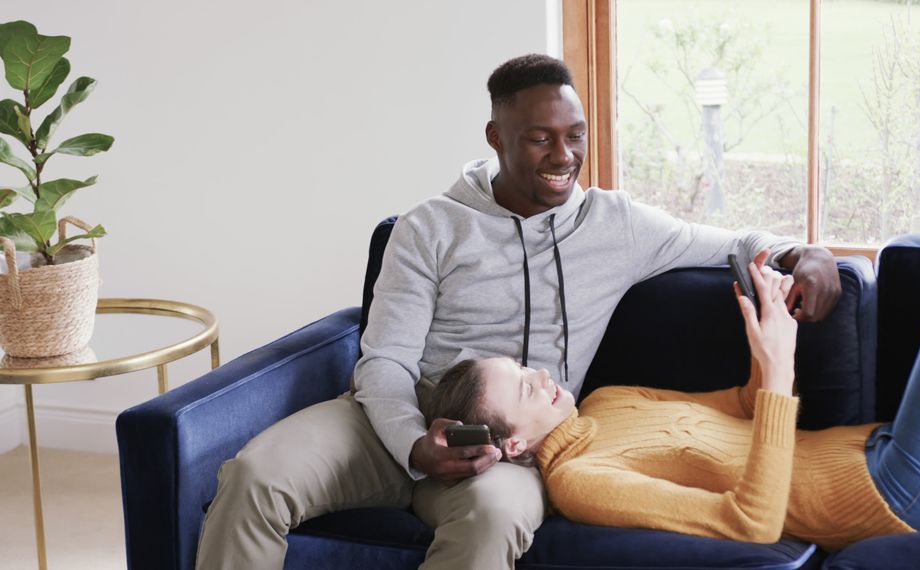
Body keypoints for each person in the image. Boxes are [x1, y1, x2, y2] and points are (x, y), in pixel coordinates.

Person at [195, 54, 842, 569]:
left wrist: (808, 254)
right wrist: (414, 442)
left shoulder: (615, 225)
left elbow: (732, 241)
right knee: (255, 477)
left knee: (496, 520)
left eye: (574, 136)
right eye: (540, 139)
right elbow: (386, 358)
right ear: (496, 136)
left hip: (510, 444)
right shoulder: (429, 227)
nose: (563, 156)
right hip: (394, 414)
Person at [429, 204, 920, 552]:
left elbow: (742, 407)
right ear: (513, 444)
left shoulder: (608, 397)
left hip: (892, 449)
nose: (539, 374)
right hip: (908, 497)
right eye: (521, 387)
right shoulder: (581, 483)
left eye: (523, 365)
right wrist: (779, 366)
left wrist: (763, 332)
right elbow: (751, 524)